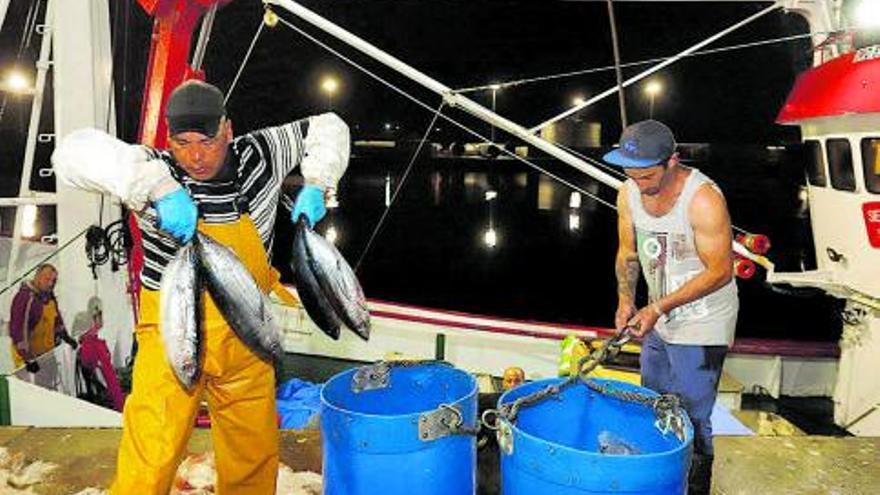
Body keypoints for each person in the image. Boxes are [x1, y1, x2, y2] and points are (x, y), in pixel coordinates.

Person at [52, 79, 350, 494]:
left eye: (207, 141)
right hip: (170, 335)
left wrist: (318, 181)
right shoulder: (152, 169)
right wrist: (158, 188)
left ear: (227, 129)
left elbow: (329, 126)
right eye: (182, 141)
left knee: (252, 453)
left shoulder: (259, 156)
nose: (195, 156)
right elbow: (70, 153)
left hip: (245, 331)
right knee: (150, 454)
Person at [604, 120, 738, 495]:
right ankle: (659, 478)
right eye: (631, 174)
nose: (639, 183)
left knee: (693, 414)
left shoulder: (703, 199)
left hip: (704, 319)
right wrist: (626, 300)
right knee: (653, 399)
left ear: (672, 161)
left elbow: (721, 271)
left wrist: (658, 307)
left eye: (647, 175)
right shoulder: (628, 192)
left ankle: (697, 486)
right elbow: (627, 253)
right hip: (657, 317)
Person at [9, 263, 78, 380]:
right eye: (47, 279)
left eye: (54, 280)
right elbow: (18, 331)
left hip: (46, 356)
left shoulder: (50, 298)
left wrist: (66, 337)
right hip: (28, 361)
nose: (51, 283)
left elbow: (57, 321)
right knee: (33, 394)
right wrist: (28, 358)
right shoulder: (25, 298)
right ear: (37, 277)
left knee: (50, 390)